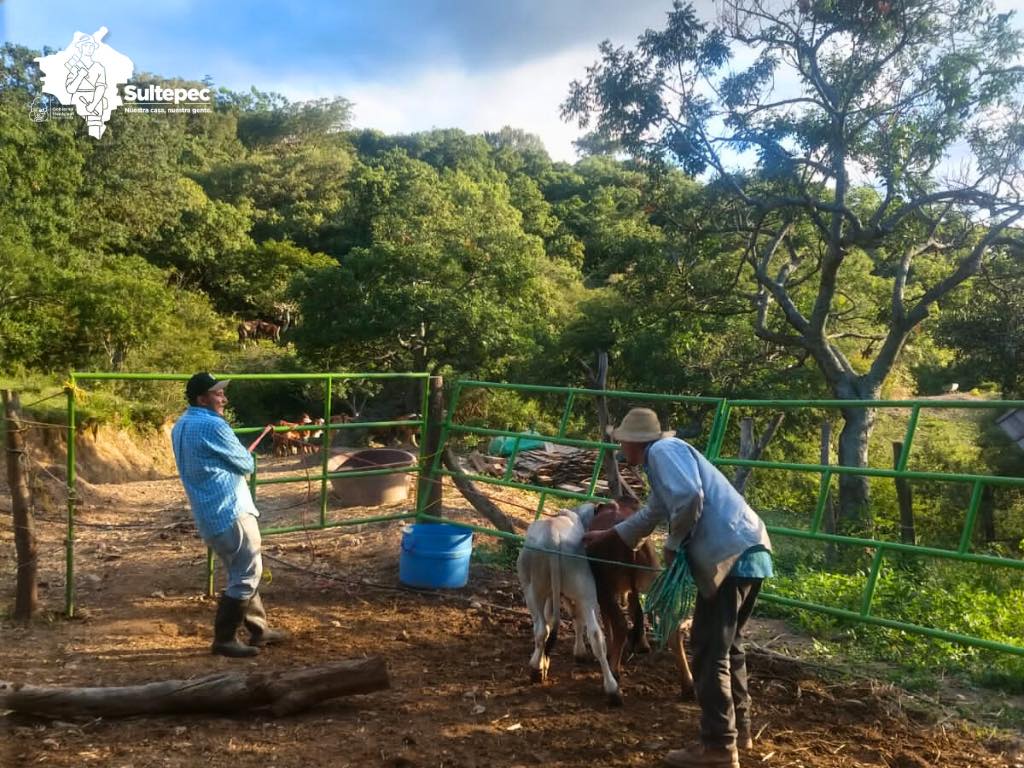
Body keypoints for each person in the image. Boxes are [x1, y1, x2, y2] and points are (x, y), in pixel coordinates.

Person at [582, 407, 772, 768]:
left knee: (706, 649)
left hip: (727, 555)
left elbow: (689, 497)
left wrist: (674, 542)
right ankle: (740, 730)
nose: (620, 445)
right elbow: (650, 514)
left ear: (635, 441)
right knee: (729, 645)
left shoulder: (663, 453)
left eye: (622, 438)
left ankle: (718, 747)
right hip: (751, 549)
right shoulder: (664, 462)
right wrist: (607, 534)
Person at [171, 372, 288, 658]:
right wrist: (244, 458)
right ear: (202, 399)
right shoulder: (213, 425)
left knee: (243, 570)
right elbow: (246, 463)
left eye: (222, 393)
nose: (224, 398)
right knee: (247, 573)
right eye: (217, 394)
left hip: (208, 514)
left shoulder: (180, 425)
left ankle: (259, 630)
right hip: (231, 511)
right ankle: (224, 639)